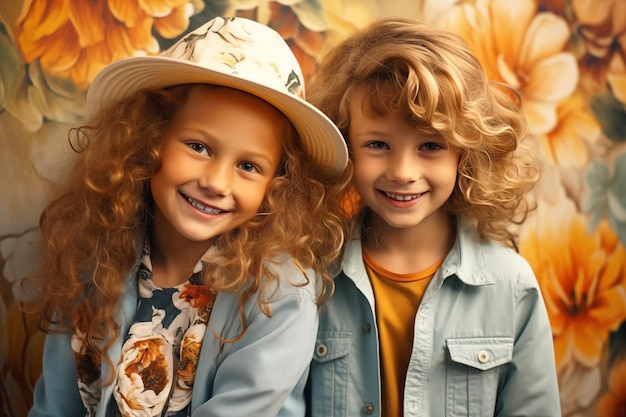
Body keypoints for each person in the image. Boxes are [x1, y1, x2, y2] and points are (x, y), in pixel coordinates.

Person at [26, 16, 350, 417]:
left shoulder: (278, 294)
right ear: (149, 139)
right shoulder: (94, 255)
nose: (215, 182)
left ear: (277, 184)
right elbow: (54, 406)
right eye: (198, 146)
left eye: (248, 167)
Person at [305, 18, 561, 416]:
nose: (403, 172)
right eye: (377, 144)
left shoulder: (511, 286)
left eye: (430, 145)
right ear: (345, 145)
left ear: (466, 152)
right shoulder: (310, 277)